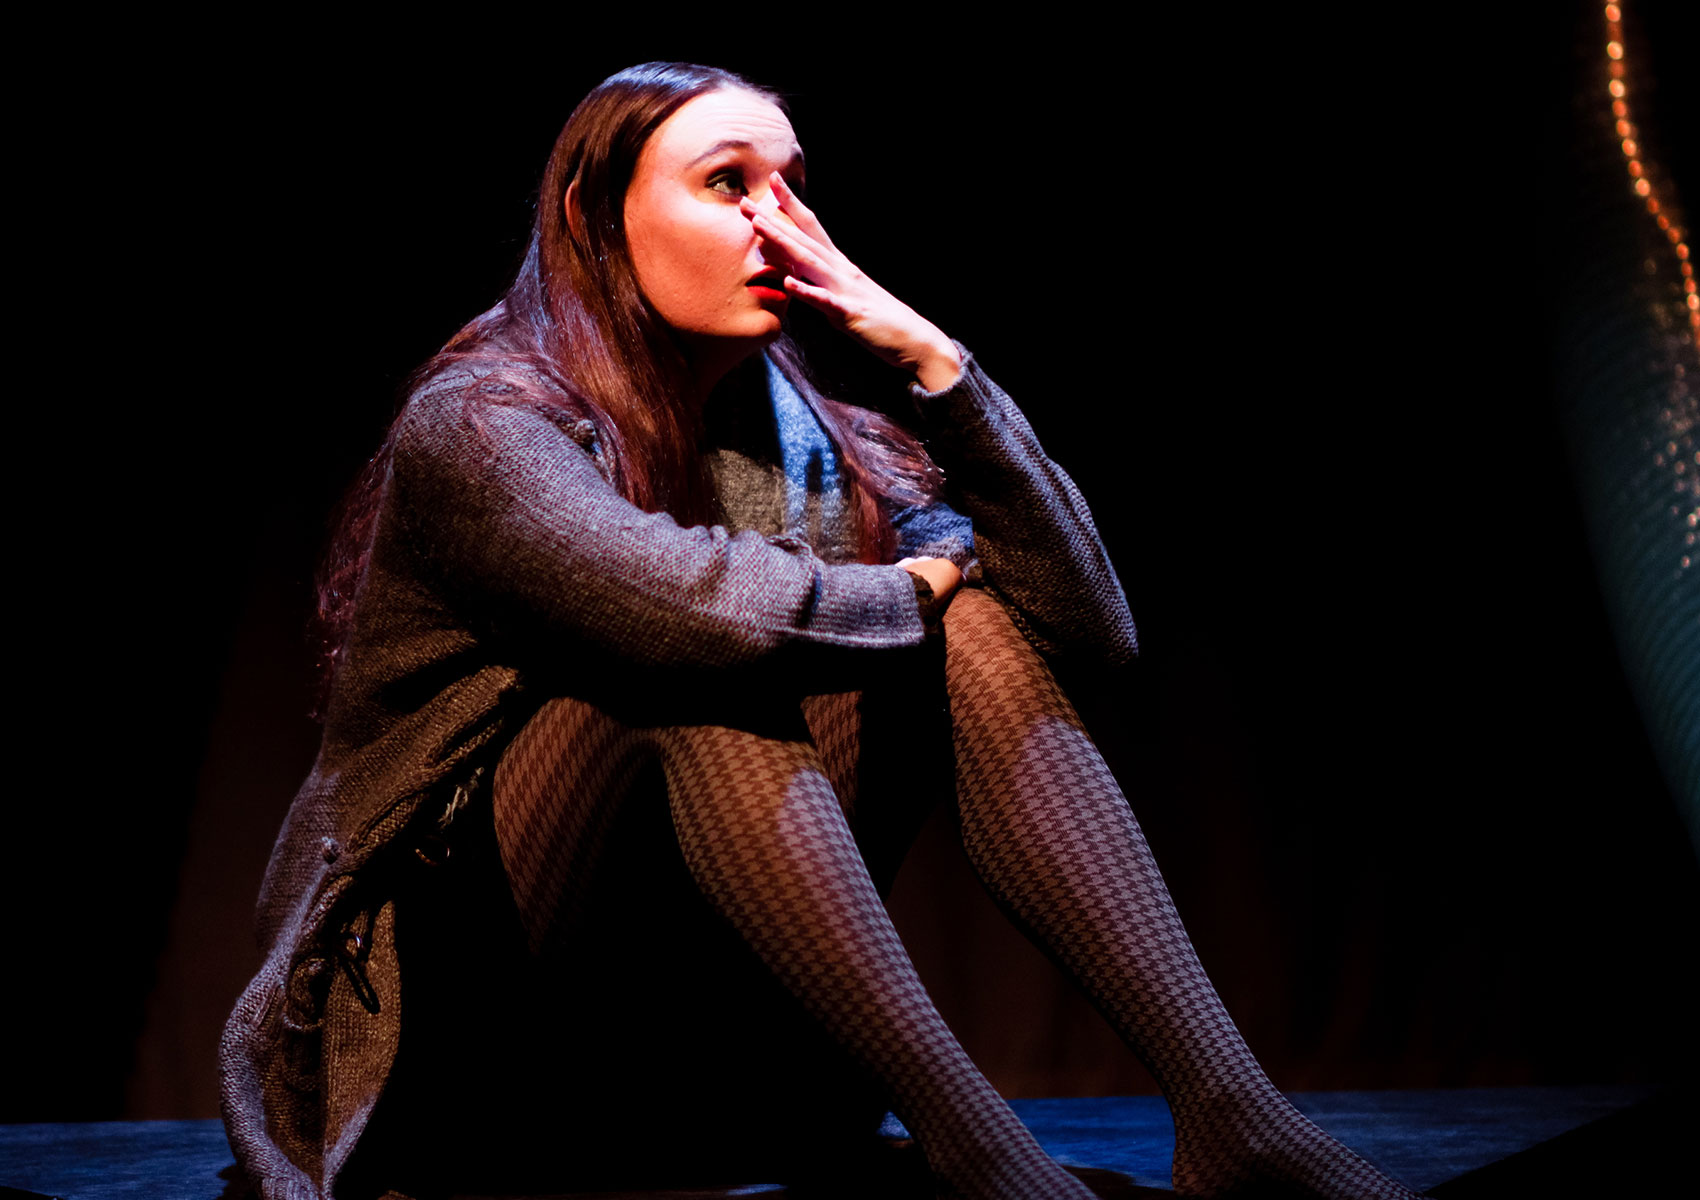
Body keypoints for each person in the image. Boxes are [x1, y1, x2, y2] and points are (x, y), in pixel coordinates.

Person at [220, 62, 1421, 1200]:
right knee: (700, 668)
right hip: (472, 1053)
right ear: (595, 213)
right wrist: (906, 590)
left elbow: (1088, 630)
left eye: (791, 184)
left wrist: (936, 365)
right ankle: (979, 1151)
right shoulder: (483, 425)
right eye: (727, 183)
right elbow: (685, 609)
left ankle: (1231, 1113)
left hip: (725, 1059)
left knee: (980, 631)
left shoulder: (814, 433)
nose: (780, 225)